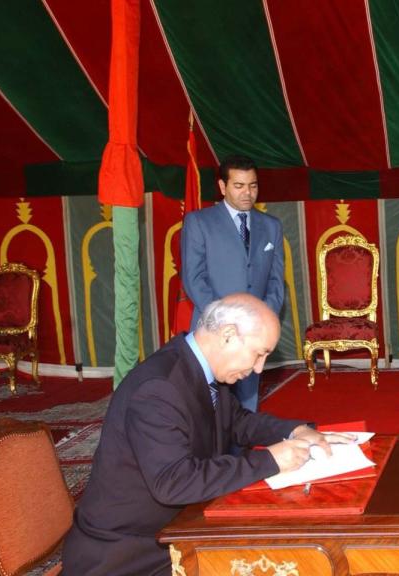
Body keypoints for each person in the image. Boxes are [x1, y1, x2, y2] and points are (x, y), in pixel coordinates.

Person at [62, 294, 354, 575]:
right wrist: (271, 461)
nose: (258, 368)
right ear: (228, 334)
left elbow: (237, 422)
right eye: (259, 353)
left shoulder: (200, 370)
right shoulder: (158, 388)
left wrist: (295, 430)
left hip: (175, 531)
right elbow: (173, 482)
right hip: (129, 555)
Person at [181, 154, 285, 412]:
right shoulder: (198, 222)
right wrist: (226, 319)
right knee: (208, 408)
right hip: (214, 331)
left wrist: (261, 319)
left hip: (253, 335)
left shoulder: (271, 226)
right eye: (239, 186)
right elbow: (193, 278)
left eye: (253, 185)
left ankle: (242, 452)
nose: (247, 193)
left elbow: (276, 281)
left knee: (246, 408)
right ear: (222, 186)